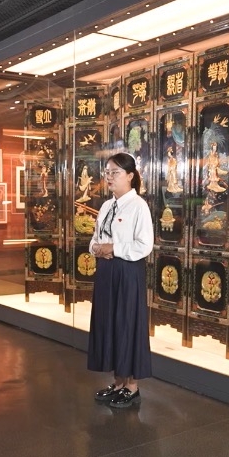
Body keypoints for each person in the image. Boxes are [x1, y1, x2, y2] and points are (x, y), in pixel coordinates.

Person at [89, 152, 155, 409]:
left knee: (127, 324)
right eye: (107, 172)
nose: (109, 177)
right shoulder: (107, 206)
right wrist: (97, 248)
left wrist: (114, 249)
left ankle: (132, 386)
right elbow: (95, 238)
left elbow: (144, 245)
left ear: (130, 175)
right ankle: (117, 383)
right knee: (109, 324)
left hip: (127, 272)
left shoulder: (138, 206)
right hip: (106, 271)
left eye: (115, 172)